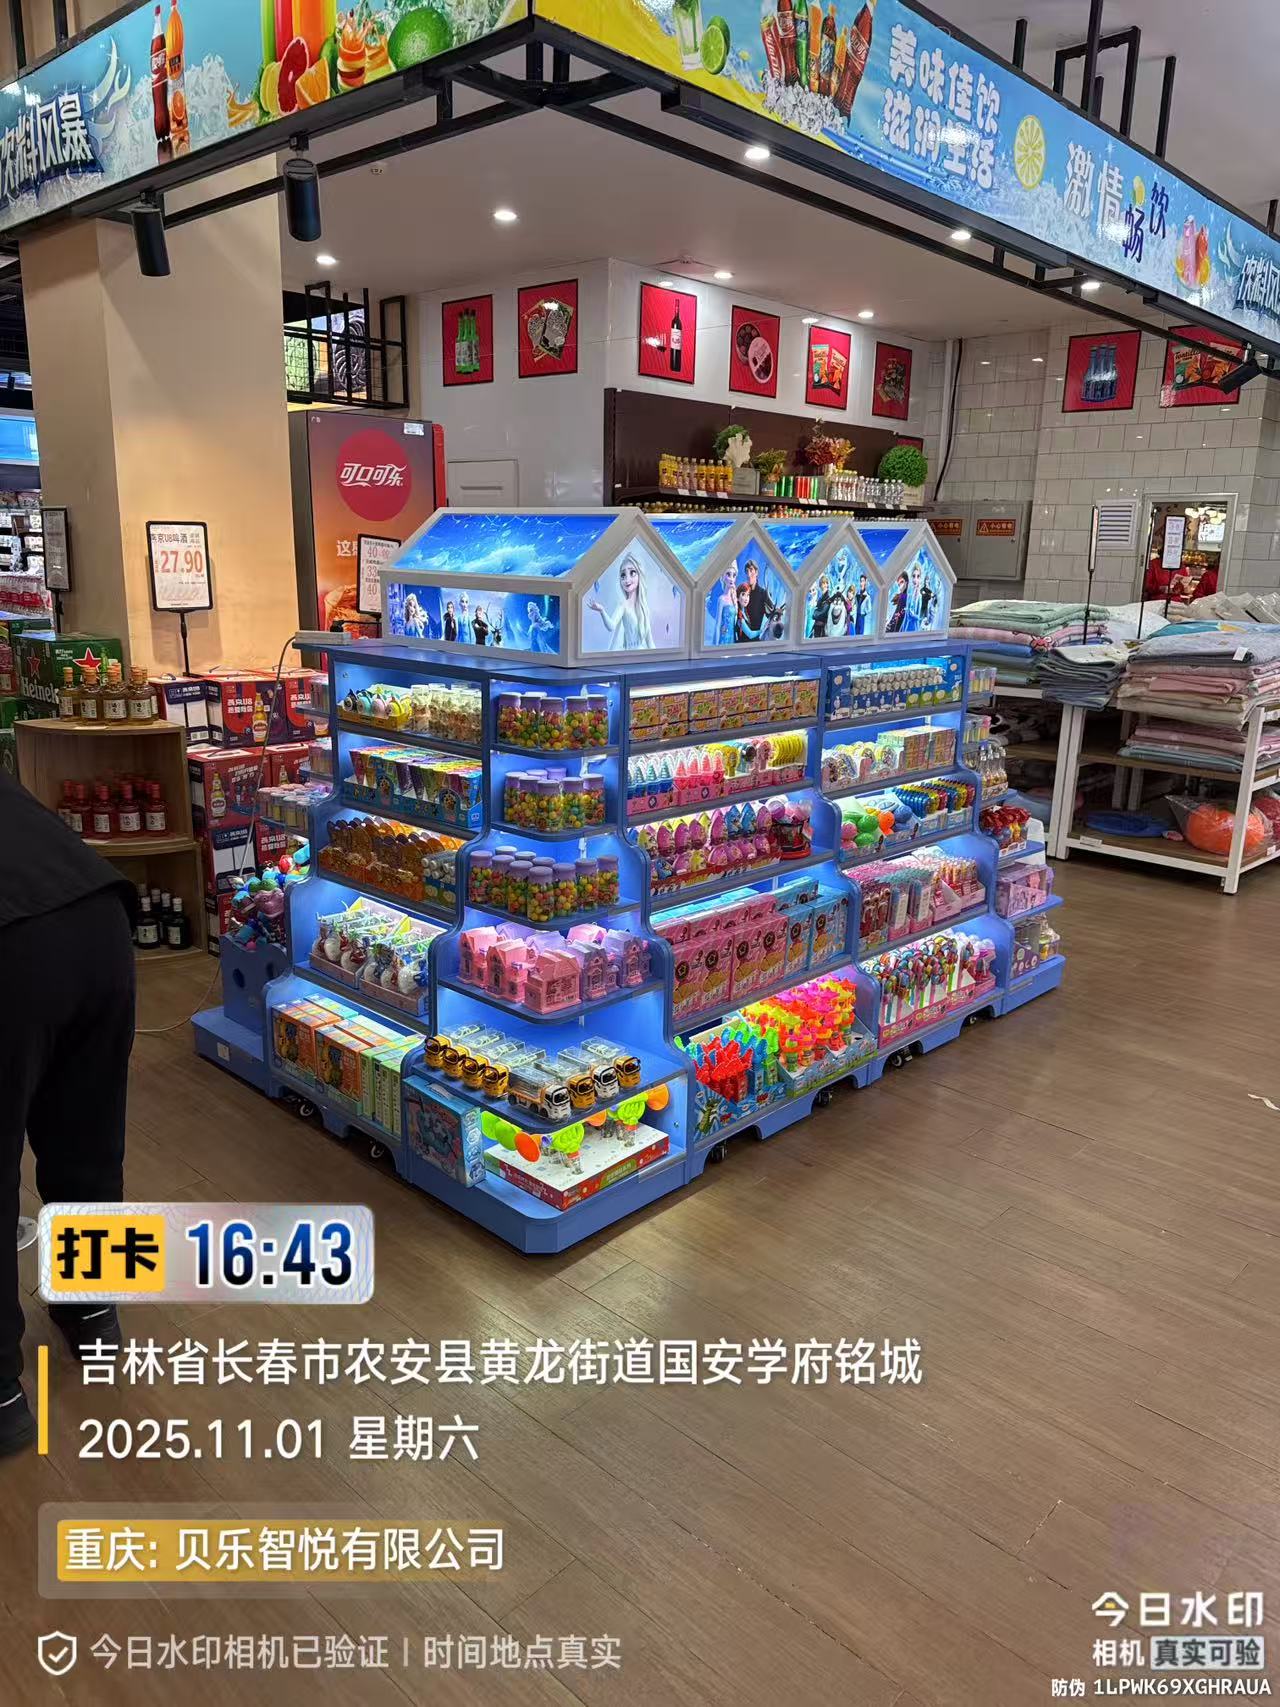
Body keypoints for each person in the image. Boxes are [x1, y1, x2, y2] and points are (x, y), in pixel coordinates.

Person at [0, 771, 136, 1455]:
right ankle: (93, 1310)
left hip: (8, 943)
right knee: (86, 1137)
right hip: (96, 914)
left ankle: (1, 1398)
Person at [587, 553, 654, 651]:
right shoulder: (623, 605)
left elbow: (650, 642)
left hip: (643, 656)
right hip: (630, 655)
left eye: (632, 573)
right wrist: (602, 610)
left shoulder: (644, 608)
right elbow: (611, 626)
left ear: (639, 575)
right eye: (623, 575)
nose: (627, 580)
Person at [808, 574, 833, 639]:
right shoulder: (821, 597)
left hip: (822, 627)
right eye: (823, 583)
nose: (824, 585)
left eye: (826, 583)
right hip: (817, 626)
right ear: (820, 585)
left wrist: (814, 613)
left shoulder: (828, 597)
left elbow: (823, 612)